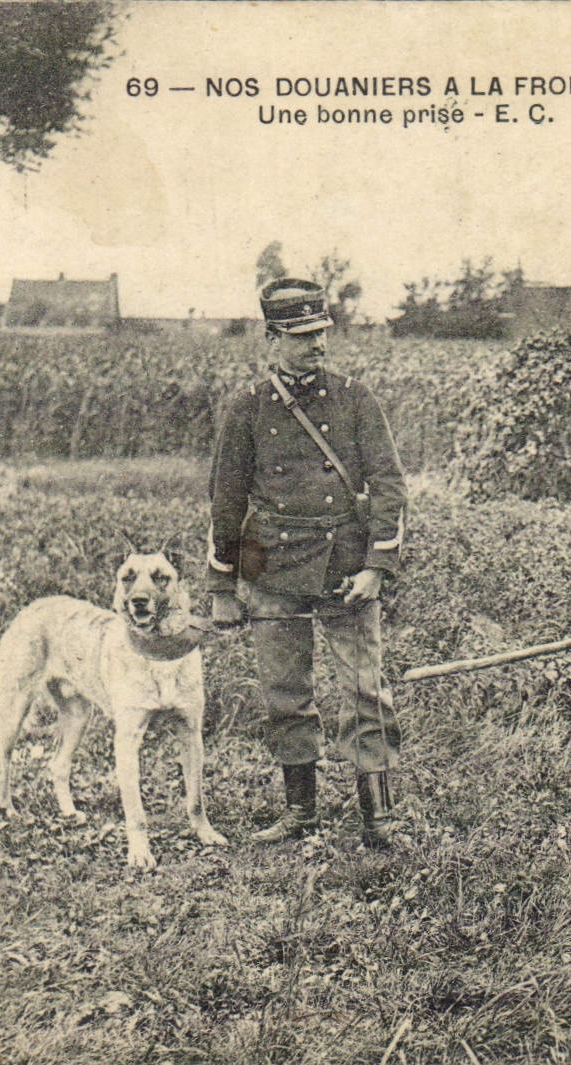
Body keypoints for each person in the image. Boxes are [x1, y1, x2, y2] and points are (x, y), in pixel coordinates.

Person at [207, 278, 408, 847]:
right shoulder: (245, 408)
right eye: (301, 336)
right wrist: (223, 588)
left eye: (321, 333)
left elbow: (389, 486)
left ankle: (380, 818)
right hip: (271, 565)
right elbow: (227, 500)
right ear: (272, 338)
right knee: (285, 691)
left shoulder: (355, 398)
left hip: (345, 565)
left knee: (365, 688)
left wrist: (376, 568)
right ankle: (300, 814)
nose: (317, 345)